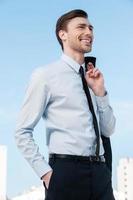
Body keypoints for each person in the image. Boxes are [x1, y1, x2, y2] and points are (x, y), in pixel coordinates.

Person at [15, 9, 116, 200]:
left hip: (101, 174)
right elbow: (21, 131)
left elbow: (108, 130)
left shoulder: (92, 78)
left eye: (91, 28)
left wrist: (100, 93)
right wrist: (46, 173)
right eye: (81, 27)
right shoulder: (45, 75)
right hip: (65, 173)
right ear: (63, 35)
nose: (89, 32)